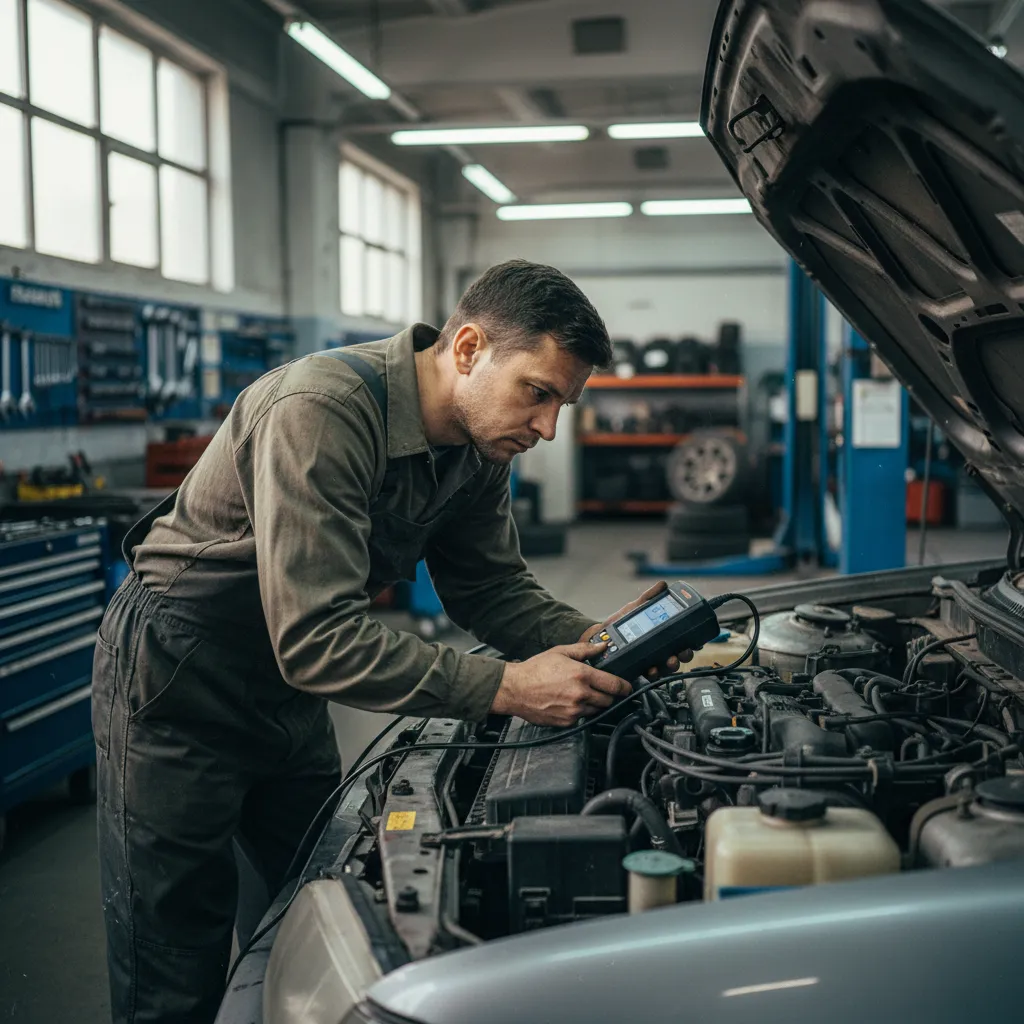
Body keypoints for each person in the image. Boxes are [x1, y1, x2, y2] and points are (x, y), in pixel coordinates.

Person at [92, 259, 687, 1024]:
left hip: (282, 687)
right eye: (537, 393)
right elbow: (318, 639)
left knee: (306, 907)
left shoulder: (479, 446)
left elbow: (490, 588)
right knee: (171, 956)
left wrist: (600, 643)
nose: (546, 427)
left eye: (563, 404)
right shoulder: (323, 410)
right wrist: (508, 688)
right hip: (178, 672)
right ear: (468, 349)